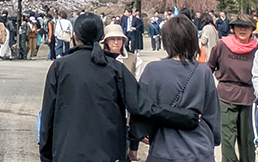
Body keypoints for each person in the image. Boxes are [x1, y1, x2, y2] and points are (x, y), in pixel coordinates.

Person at [40, 12, 200, 162]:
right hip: (107, 152)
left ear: (75, 36)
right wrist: (185, 117)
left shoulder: (59, 67)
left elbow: (48, 115)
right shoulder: (114, 68)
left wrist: (46, 155)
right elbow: (143, 107)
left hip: (67, 151)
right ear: (102, 37)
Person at [128, 14, 222, 162]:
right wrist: (213, 140)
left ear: (167, 40)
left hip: (164, 146)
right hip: (199, 148)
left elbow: (141, 110)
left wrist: (135, 142)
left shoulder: (153, 70)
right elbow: (212, 115)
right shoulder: (203, 72)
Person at [208, 14, 258, 162]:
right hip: (226, 96)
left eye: (246, 26)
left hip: (249, 97)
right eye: (239, 26)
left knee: (248, 139)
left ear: (252, 30)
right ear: (233, 29)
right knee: (227, 139)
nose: (242, 29)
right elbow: (209, 67)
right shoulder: (222, 46)